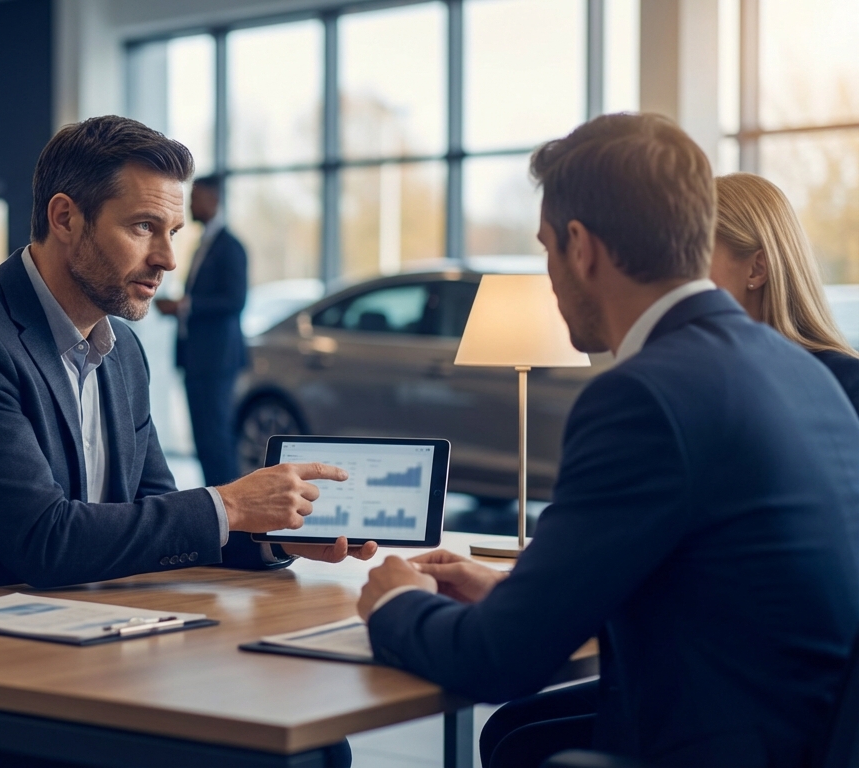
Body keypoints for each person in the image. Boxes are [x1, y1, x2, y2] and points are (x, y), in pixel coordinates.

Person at [0, 115, 374, 768]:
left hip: (67, 648)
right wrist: (229, 505)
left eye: (174, 232)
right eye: (142, 228)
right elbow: (44, 541)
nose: (167, 259)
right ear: (66, 218)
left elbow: (153, 515)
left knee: (317, 743)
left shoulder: (121, 350)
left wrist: (267, 531)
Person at [355, 114, 859, 768]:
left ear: (580, 246)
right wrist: (515, 596)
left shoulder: (642, 397)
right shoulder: (798, 369)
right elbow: (725, 591)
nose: (551, 275)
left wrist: (393, 603)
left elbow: (498, 662)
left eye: (545, 249)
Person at [709, 172, 859, 412]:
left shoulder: (846, 384)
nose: (682, 274)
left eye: (699, 255)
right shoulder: (700, 373)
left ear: (757, 269)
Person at [155, 175, 249, 486]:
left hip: (216, 359)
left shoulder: (230, 247)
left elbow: (235, 300)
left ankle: (232, 522)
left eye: (195, 197)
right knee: (204, 439)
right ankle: (218, 509)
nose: (190, 204)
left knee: (216, 438)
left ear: (214, 198)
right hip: (198, 358)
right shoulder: (204, 244)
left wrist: (184, 306)